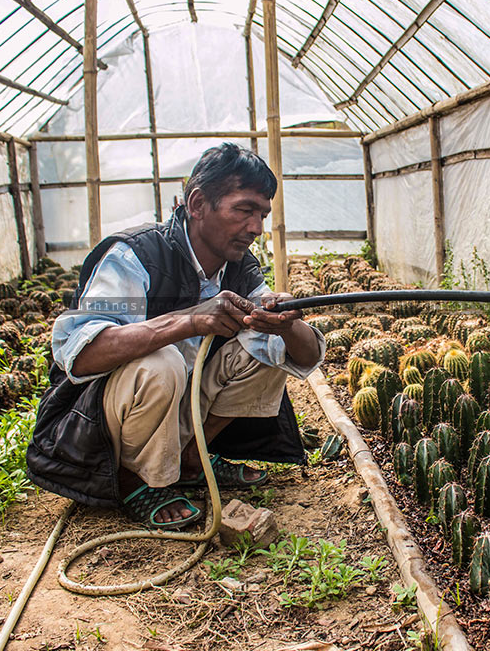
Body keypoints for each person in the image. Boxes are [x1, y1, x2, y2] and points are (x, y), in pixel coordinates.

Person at [27, 143, 325, 530]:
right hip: (100, 424)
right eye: (244, 210)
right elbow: (83, 354)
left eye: (262, 214)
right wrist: (189, 321)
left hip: (177, 408)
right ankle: (132, 477)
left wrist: (285, 324)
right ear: (198, 203)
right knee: (161, 362)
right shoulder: (134, 255)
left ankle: (189, 459)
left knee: (267, 346)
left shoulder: (239, 268)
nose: (256, 228)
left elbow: (303, 355)